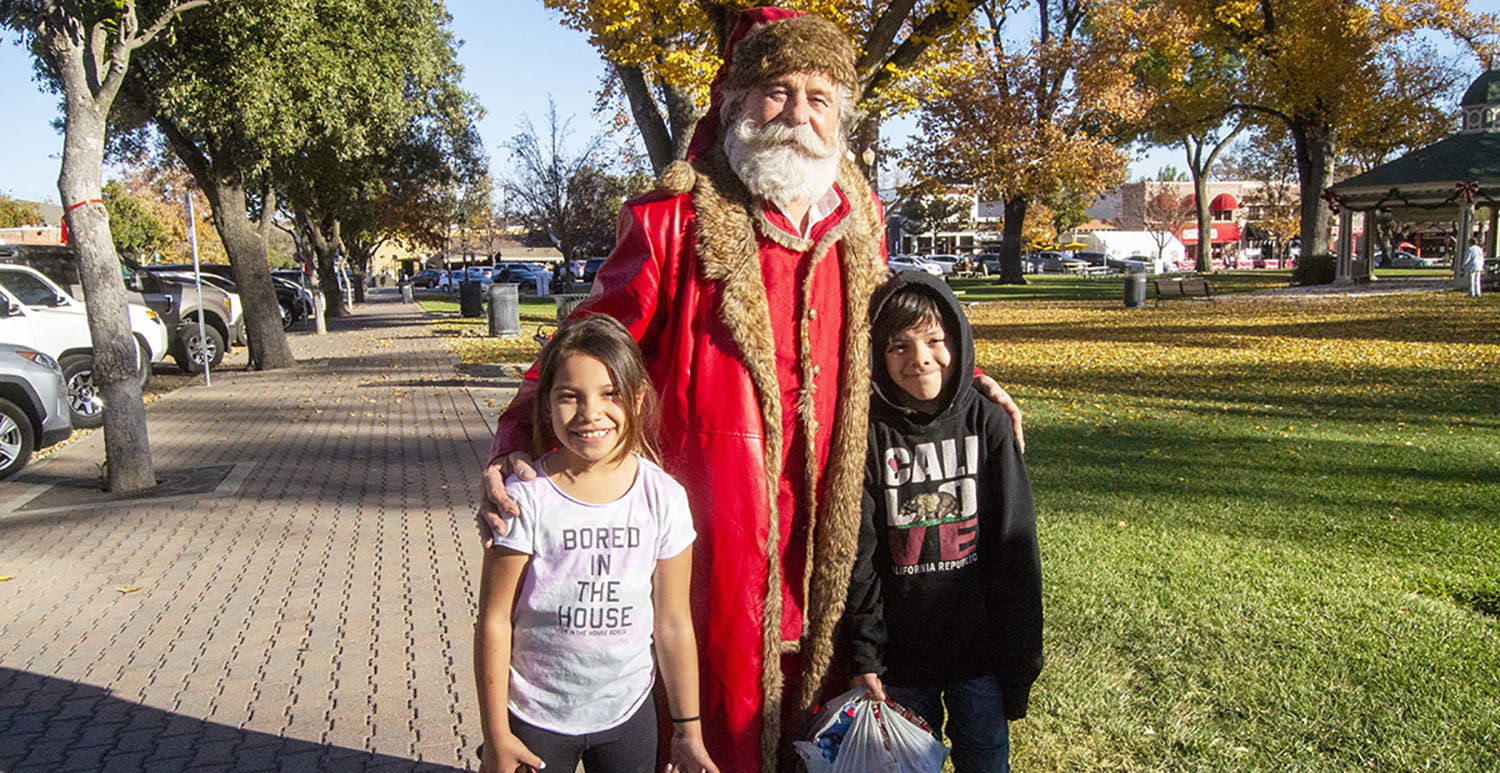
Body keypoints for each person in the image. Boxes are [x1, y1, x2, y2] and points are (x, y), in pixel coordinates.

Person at [475, 8, 1024, 770]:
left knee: (823, 704)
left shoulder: (860, 218)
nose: (798, 113)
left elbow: (899, 323)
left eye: (818, 96)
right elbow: (593, 342)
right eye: (775, 90)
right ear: (735, 102)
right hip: (717, 523)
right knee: (718, 705)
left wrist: (961, 383)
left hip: (834, 514)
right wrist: (515, 440)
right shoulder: (675, 219)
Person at [474, 315, 718, 773]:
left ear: (638, 398)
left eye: (610, 394)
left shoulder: (663, 497)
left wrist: (689, 731)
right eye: (570, 396)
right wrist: (496, 736)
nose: (590, 413)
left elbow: (672, 623)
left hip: (628, 714)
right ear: (546, 405)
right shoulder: (525, 497)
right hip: (535, 716)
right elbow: (494, 620)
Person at [844, 271, 1042, 773]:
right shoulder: (868, 434)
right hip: (903, 661)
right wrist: (865, 654)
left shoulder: (989, 422)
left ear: (957, 338)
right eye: (898, 347)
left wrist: (1019, 661)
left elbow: (1015, 546)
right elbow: (860, 553)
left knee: (985, 759)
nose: (919, 359)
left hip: (981, 658)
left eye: (934, 340)